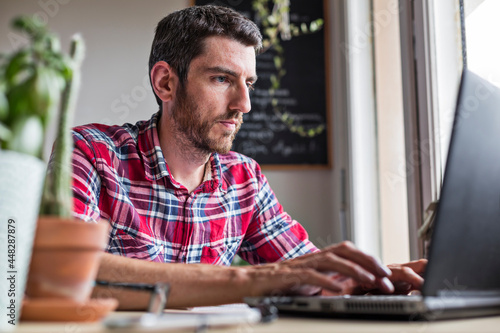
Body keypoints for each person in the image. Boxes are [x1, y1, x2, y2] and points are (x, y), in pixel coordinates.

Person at [69, 5, 426, 309]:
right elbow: (67, 271)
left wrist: (368, 281)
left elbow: (306, 277)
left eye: (249, 83)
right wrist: (249, 278)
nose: (244, 104)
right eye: (222, 79)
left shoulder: (244, 179)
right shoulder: (91, 153)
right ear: (165, 83)